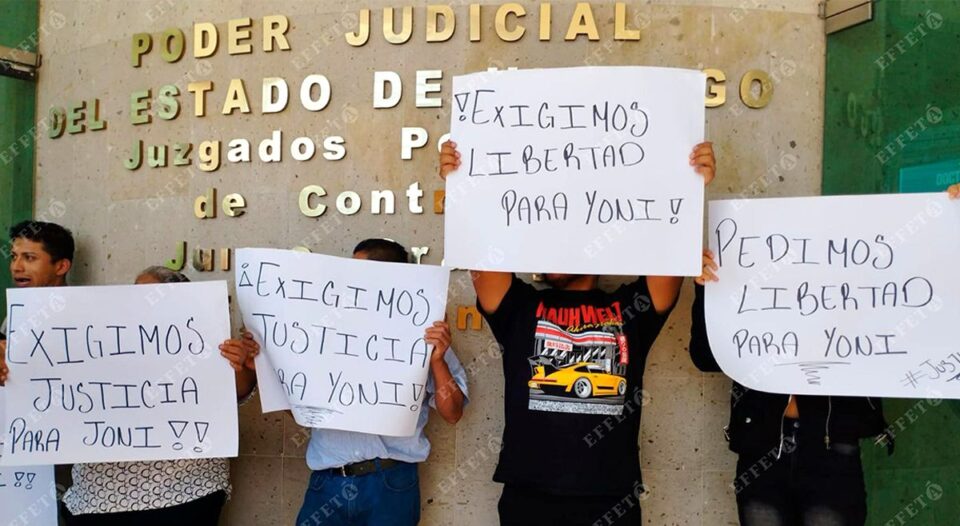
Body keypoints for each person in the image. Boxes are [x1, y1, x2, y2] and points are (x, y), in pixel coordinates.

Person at [438, 140, 716, 525]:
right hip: (528, 498)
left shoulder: (630, 309)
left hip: (610, 499)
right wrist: (464, 185)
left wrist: (689, 183)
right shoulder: (519, 308)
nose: (551, 249)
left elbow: (670, 253)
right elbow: (481, 249)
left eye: (564, 239)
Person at [688, 182, 960, 526]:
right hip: (761, 449)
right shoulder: (752, 287)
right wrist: (707, 290)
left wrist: (949, 227)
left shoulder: (860, 293)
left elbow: (928, 304)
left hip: (833, 449)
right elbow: (706, 356)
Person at [0, 229, 259, 524]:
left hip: (185, 492)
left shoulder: (202, 342)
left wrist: (239, 364)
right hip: (96, 499)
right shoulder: (95, 337)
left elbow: (236, 392)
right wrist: (11, 370)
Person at [293, 238, 468, 526]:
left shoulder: (424, 334)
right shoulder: (323, 332)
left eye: (361, 272)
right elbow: (300, 411)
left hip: (390, 484)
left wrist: (437, 361)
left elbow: (453, 413)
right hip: (327, 482)